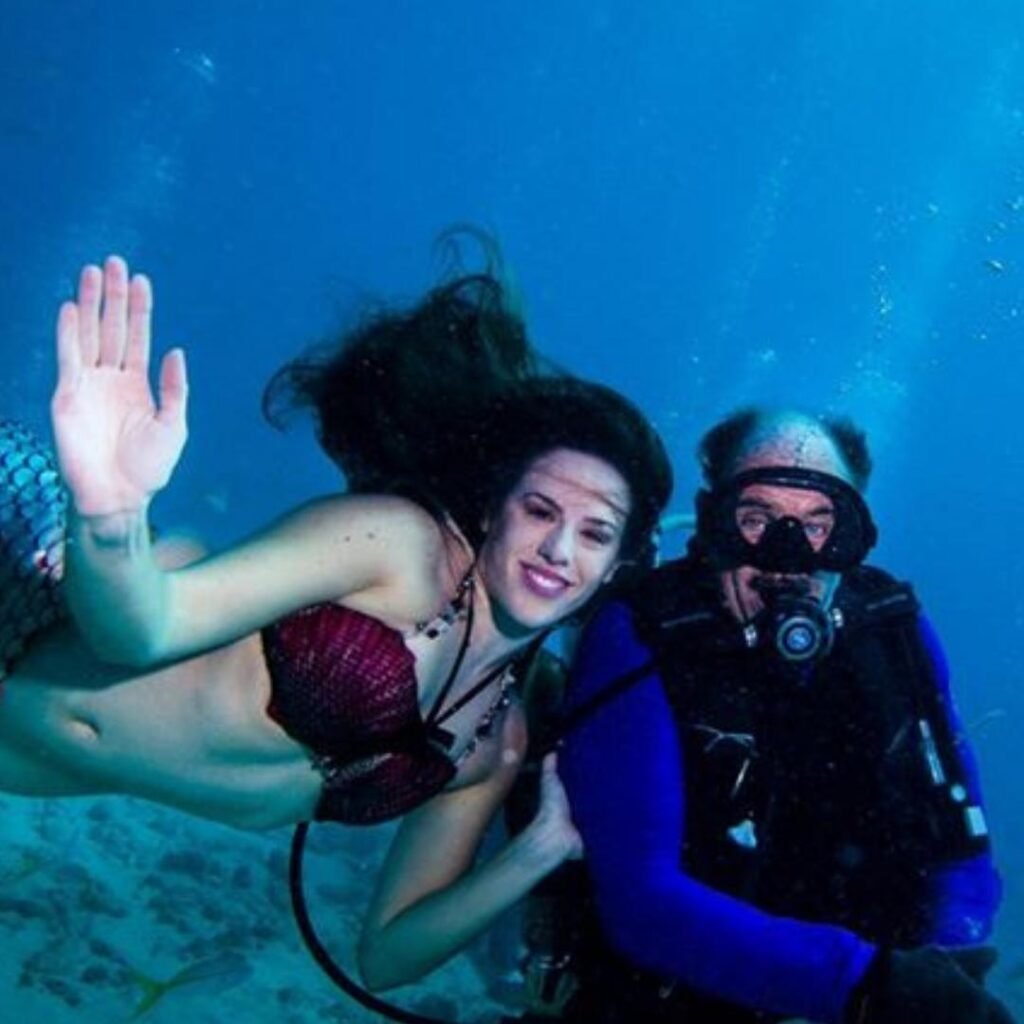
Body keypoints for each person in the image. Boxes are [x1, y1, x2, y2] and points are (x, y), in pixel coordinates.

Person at [0, 245, 672, 992]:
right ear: (493, 508)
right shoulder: (396, 545)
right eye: (540, 509)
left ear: (617, 565)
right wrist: (111, 513)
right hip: (21, 608)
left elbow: (385, 957)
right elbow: (138, 632)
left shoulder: (494, 742)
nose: (557, 548)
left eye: (595, 532)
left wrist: (541, 847)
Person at [550, 408, 1015, 1024]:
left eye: (821, 524)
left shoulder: (894, 631)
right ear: (715, 521)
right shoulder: (640, 635)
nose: (788, 557)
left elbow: (963, 845)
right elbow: (642, 903)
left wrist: (946, 960)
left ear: (853, 533)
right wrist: (866, 986)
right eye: (757, 518)